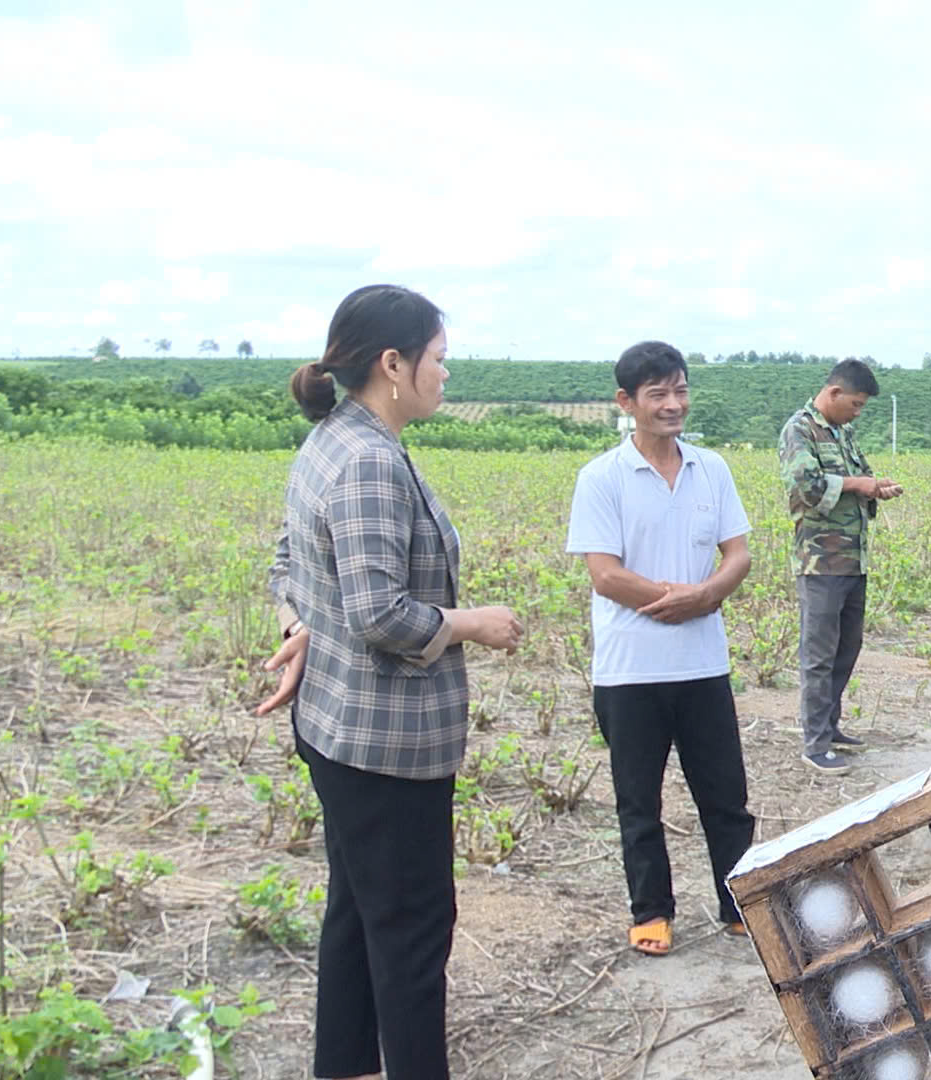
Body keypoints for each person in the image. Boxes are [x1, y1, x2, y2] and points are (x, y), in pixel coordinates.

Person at [255, 284, 523, 1080]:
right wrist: (472, 621)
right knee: (411, 934)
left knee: (358, 916)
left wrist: (298, 626)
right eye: (440, 358)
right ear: (394, 363)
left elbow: (291, 565)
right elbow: (380, 614)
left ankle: (343, 1067)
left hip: (338, 732)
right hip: (384, 748)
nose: (447, 374)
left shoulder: (336, 440)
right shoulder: (370, 459)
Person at [566, 341, 757, 957]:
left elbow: (738, 554)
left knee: (725, 796)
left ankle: (739, 904)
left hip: (703, 663)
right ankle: (651, 911)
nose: (673, 404)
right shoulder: (601, 478)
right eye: (658, 394)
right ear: (627, 402)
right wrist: (674, 599)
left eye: (679, 390)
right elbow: (605, 574)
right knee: (638, 802)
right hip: (630, 670)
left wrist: (705, 597)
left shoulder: (712, 469)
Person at [778, 360, 903, 773]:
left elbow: (860, 475)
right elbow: (807, 487)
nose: (857, 412)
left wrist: (877, 487)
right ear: (833, 394)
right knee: (818, 654)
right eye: (855, 403)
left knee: (847, 649)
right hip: (821, 561)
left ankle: (830, 727)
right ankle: (814, 744)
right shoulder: (799, 430)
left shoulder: (843, 433)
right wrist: (856, 485)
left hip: (853, 558)